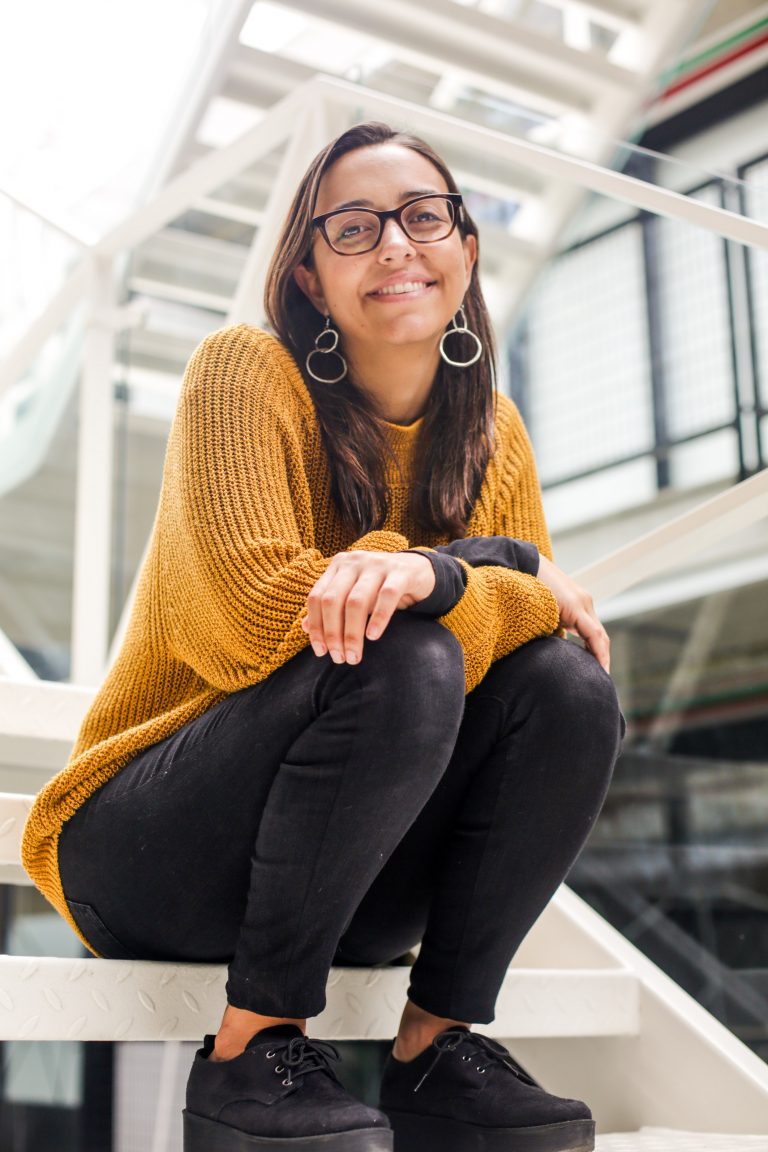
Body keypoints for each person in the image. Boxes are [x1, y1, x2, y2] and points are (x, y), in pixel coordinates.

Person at [22, 121, 624, 1152]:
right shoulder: (243, 373)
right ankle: (248, 1058)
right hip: (150, 850)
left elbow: (545, 633)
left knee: (569, 690)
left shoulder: (494, 432)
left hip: (351, 872)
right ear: (307, 274)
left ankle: (436, 1050)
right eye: (354, 228)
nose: (396, 243)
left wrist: (440, 573)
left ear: (466, 249)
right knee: (401, 653)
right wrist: (495, 573)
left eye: (423, 216)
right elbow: (264, 611)